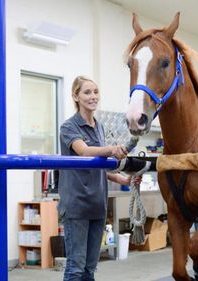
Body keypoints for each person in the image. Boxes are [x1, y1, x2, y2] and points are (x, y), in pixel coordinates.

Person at [58, 75, 140, 281]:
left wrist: (124, 180)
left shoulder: (100, 127)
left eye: (95, 92)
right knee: (76, 268)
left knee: (90, 268)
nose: (93, 96)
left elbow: (98, 166)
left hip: (97, 204)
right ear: (75, 96)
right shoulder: (69, 127)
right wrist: (112, 149)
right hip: (77, 205)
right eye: (87, 92)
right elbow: (84, 152)